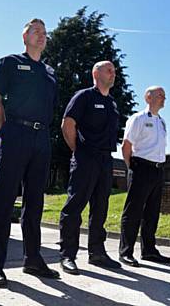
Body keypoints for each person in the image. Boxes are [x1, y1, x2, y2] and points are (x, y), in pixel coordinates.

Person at [0, 18, 59, 287]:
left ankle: (33, 259)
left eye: (44, 33)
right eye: (36, 32)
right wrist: (5, 130)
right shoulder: (10, 62)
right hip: (15, 132)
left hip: (42, 138)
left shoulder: (50, 72)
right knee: (4, 199)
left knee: (35, 202)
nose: (42, 36)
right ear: (25, 37)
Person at [58, 61, 122, 275]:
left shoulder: (112, 103)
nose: (113, 73)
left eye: (114, 70)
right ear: (96, 73)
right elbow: (67, 124)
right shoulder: (84, 96)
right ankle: (68, 254)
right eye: (109, 70)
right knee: (75, 205)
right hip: (86, 157)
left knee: (100, 207)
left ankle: (97, 252)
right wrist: (79, 151)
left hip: (106, 159)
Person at [119, 86, 170, 267]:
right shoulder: (138, 118)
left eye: (164, 95)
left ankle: (149, 250)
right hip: (141, 167)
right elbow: (126, 145)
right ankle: (126, 252)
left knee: (152, 213)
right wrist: (131, 168)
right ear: (148, 98)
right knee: (133, 212)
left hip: (158, 169)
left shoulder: (162, 122)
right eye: (160, 95)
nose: (164, 98)